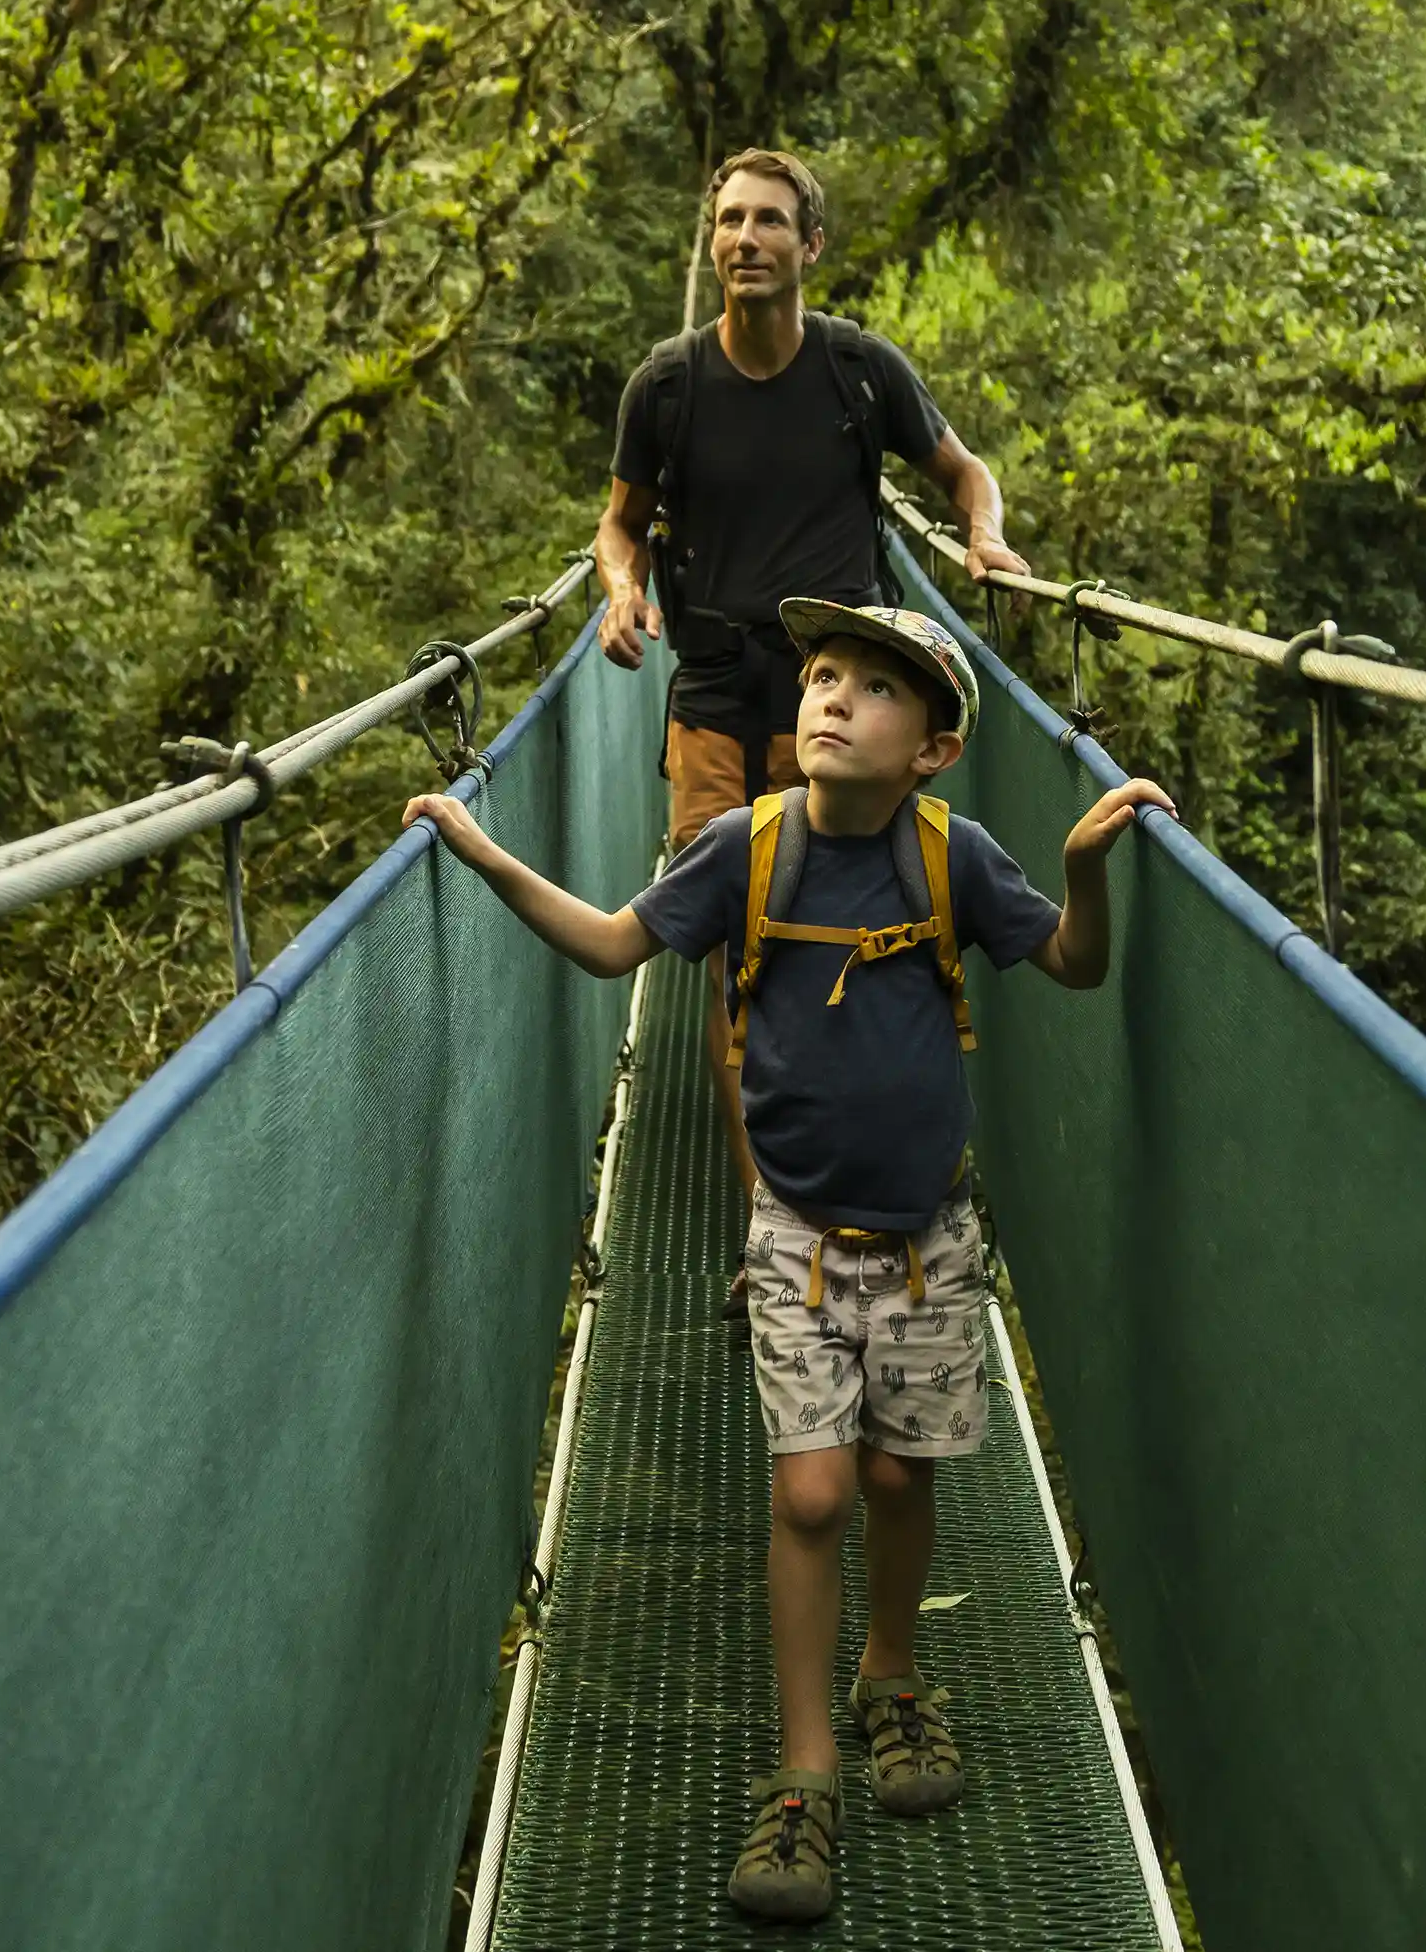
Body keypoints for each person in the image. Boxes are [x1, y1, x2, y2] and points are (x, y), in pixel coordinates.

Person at [410, 601, 1167, 1925]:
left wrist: (1085, 863)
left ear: (931, 750)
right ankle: (807, 1766)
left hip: (930, 1236)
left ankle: (894, 1672)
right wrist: (480, 852)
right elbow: (609, 946)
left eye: (876, 689)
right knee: (816, 1492)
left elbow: (1073, 965)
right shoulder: (742, 851)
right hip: (798, 1237)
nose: (831, 699)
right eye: (821, 676)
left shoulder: (957, 855)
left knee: (897, 1471)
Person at [596, 148, 1032, 1213]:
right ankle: (769, 1215)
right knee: (723, 940)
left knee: (824, 937)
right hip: (710, 693)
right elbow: (619, 521)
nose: (746, 238)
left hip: (837, 697)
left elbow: (963, 470)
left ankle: (855, 1171)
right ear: (713, 241)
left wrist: (983, 535)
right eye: (730, 221)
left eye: (770, 222)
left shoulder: (857, 371)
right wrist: (620, 588)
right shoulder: (666, 384)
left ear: (810, 245)